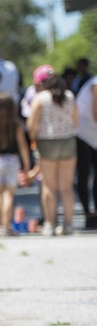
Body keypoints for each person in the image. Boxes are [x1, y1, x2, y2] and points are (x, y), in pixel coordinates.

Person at [28, 65, 79, 236]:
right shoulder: (70, 96)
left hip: (47, 142)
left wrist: (34, 141)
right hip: (68, 142)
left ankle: (50, 224)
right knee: (67, 186)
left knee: (48, 185)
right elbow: (76, 121)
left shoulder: (40, 98)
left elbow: (31, 125)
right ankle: (69, 224)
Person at [0, 92, 30, 236]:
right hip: (12, 160)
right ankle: (6, 226)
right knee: (9, 194)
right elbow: (22, 146)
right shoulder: (15, 124)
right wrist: (26, 165)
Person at [75, 73, 97, 229]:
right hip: (82, 132)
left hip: (94, 133)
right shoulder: (96, 83)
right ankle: (88, 214)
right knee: (84, 173)